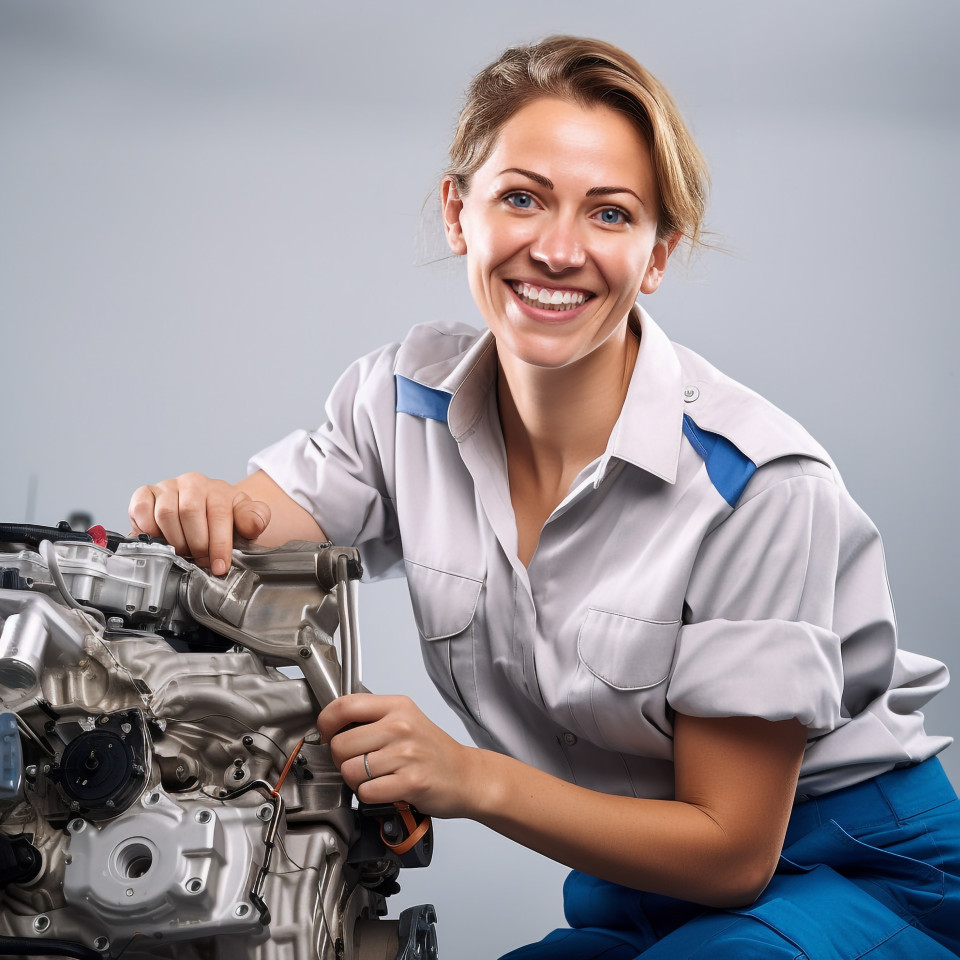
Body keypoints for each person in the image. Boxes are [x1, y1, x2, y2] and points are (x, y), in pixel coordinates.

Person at [128, 36, 960, 959]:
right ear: (459, 211)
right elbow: (254, 528)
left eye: (610, 214)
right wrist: (201, 508)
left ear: (656, 255)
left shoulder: (755, 486)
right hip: (638, 876)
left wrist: (467, 777)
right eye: (522, 197)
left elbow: (733, 854)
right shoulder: (403, 396)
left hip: (846, 866)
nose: (558, 250)